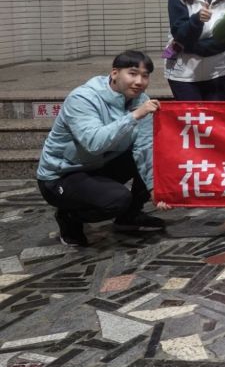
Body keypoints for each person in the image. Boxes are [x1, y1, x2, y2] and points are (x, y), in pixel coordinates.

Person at [37, 51, 166, 247]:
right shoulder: (82, 98)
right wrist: (133, 116)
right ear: (115, 73)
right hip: (61, 176)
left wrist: (154, 188)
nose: (139, 81)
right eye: (132, 73)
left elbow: (144, 146)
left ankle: (129, 217)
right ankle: (69, 217)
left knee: (156, 153)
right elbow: (94, 143)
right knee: (117, 199)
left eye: (145, 76)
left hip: (97, 165)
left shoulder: (141, 101)